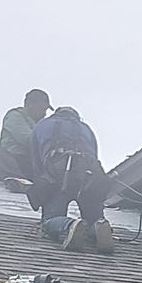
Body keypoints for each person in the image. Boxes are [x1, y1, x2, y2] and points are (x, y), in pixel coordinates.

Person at [30, 105, 114, 252]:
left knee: (50, 220)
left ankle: (69, 225)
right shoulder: (86, 128)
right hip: (90, 173)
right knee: (94, 217)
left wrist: (41, 184)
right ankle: (98, 228)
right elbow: (95, 154)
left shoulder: (43, 125)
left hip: (57, 173)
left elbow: (35, 160)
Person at [0, 89, 50, 187]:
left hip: (33, 162)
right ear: (30, 104)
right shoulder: (15, 116)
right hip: (15, 160)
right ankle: (16, 180)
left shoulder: (42, 124)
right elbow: (27, 140)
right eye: (42, 109)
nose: (44, 114)